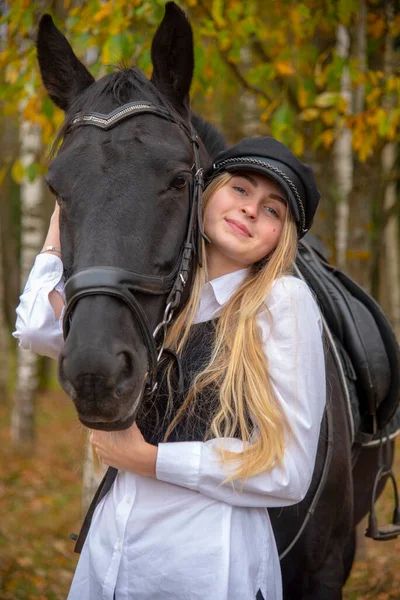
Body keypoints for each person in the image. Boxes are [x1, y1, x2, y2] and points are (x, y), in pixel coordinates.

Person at [14, 137, 326, 600]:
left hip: (205, 571)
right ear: (205, 192)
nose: (250, 210)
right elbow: (37, 329)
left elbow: (289, 470)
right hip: (111, 559)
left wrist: (153, 461)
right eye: (240, 190)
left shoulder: (282, 305)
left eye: (273, 209)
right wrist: (70, 210)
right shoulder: (156, 298)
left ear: (282, 237)